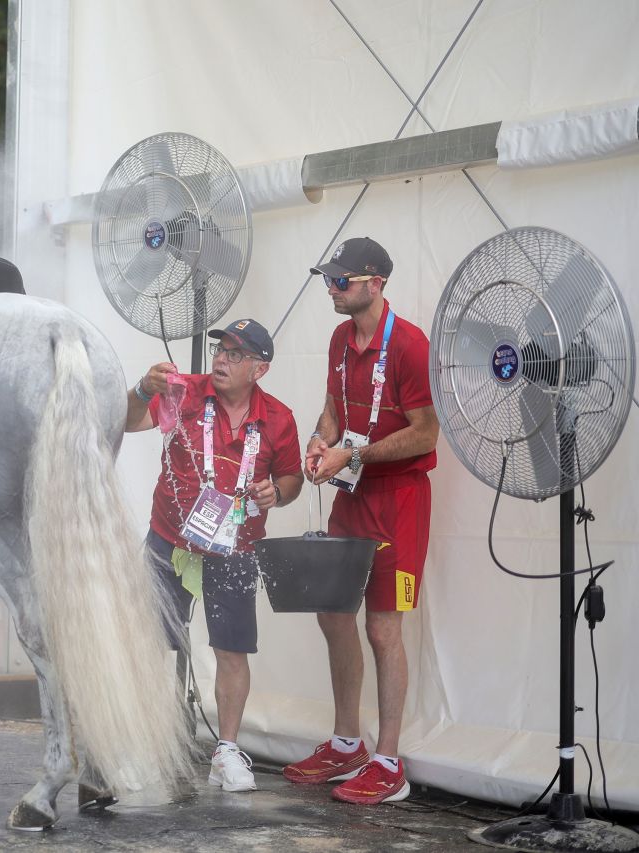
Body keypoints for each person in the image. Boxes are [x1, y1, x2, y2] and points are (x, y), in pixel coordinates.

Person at [286, 237, 438, 805]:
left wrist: (351, 455)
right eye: (329, 279)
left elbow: (426, 433)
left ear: (376, 284)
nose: (331, 288)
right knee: (331, 613)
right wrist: (320, 439)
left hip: (398, 501)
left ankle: (389, 760)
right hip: (351, 494)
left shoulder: (411, 345)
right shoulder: (338, 337)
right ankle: (347, 743)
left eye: (341, 281)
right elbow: (333, 405)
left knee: (383, 628)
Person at [126, 318, 302, 793]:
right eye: (221, 349)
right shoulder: (184, 392)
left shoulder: (280, 419)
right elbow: (129, 421)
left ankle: (225, 751)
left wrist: (275, 494)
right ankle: (145, 742)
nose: (222, 359)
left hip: (234, 547)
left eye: (236, 354)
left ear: (259, 369)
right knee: (147, 641)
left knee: (232, 649)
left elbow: (292, 479)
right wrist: (143, 388)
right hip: (171, 537)